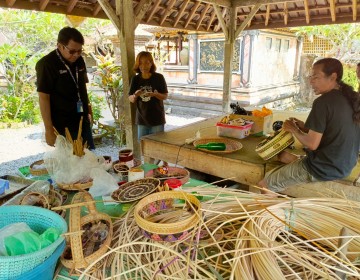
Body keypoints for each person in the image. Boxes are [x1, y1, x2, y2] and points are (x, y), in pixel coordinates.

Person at [258, 58, 360, 194]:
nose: (311, 81)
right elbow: (333, 130)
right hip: (345, 165)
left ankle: (273, 214)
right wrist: (304, 127)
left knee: (264, 185)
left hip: (324, 168)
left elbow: (312, 144)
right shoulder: (353, 97)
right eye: (311, 77)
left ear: (333, 77)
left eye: (316, 77)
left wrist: (293, 130)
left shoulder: (323, 102)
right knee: (283, 157)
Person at [36, 27, 95, 149]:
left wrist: (89, 109)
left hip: (81, 119)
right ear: (60, 46)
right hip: (63, 124)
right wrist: (48, 129)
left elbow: (82, 88)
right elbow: (43, 97)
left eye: (80, 51)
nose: (76, 55)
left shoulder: (79, 60)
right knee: (70, 162)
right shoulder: (47, 64)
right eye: (72, 51)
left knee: (88, 157)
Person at [128, 51, 168, 163]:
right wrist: (135, 94)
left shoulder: (159, 77)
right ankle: (149, 169)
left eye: (146, 62)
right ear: (137, 64)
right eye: (140, 63)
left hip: (157, 118)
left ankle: (160, 168)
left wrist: (155, 94)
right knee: (144, 149)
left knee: (158, 147)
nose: (143, 66)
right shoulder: (135, 79)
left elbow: (164, 96)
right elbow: (130, 98)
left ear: (151, 63)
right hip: (141, 119)